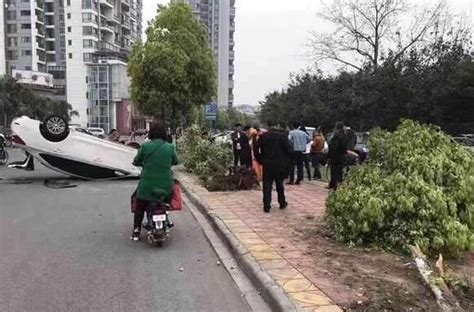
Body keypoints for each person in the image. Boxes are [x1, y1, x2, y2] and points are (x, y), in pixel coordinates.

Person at [131, 123, 178, 241]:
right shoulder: (170, 147)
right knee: (166, 200)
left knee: (140, 204)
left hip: (147, 185)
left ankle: (137, 229)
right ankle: (165, 213)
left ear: (151, 133)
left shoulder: (146, 146)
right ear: (164, 134)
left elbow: (136, 161)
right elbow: (176, 161)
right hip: (166, 185)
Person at [255, 123, 290, 213]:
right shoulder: (283, 136)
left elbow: (256, 148)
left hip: (267, 163)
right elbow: (289, 150)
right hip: (279, 164)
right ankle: (282, 202)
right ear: (277, 126)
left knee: (267, 184)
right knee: (279, 184)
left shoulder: (264, 136)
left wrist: (260, 159)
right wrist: (286, 162)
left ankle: (266, 205)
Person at [327, 121, 348, 190]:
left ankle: (333, 184)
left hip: (334, 156)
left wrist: (329, 156)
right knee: (339, 171)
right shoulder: (344, 136)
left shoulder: (334, 136)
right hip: (341, 156)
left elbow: (331, 146)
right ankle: (338, 184)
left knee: (333, 171)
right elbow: (344, 147)